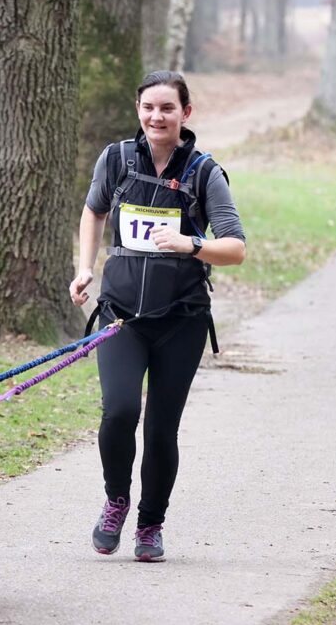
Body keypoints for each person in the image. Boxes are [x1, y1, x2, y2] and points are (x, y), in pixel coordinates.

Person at [69, 71, 246, 562]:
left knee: (161, 427)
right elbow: (93, 211)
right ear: (138, 110)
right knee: (119, 410)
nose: (156, 116)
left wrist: (193, 244)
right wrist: (85, 269)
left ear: (185, 114)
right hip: (122, 316)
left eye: (167, 108)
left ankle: (150, 523)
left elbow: (235, 249)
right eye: (148, 107)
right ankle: (116, 500)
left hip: (181, 319)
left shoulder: (204, 172)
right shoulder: (118, 159)